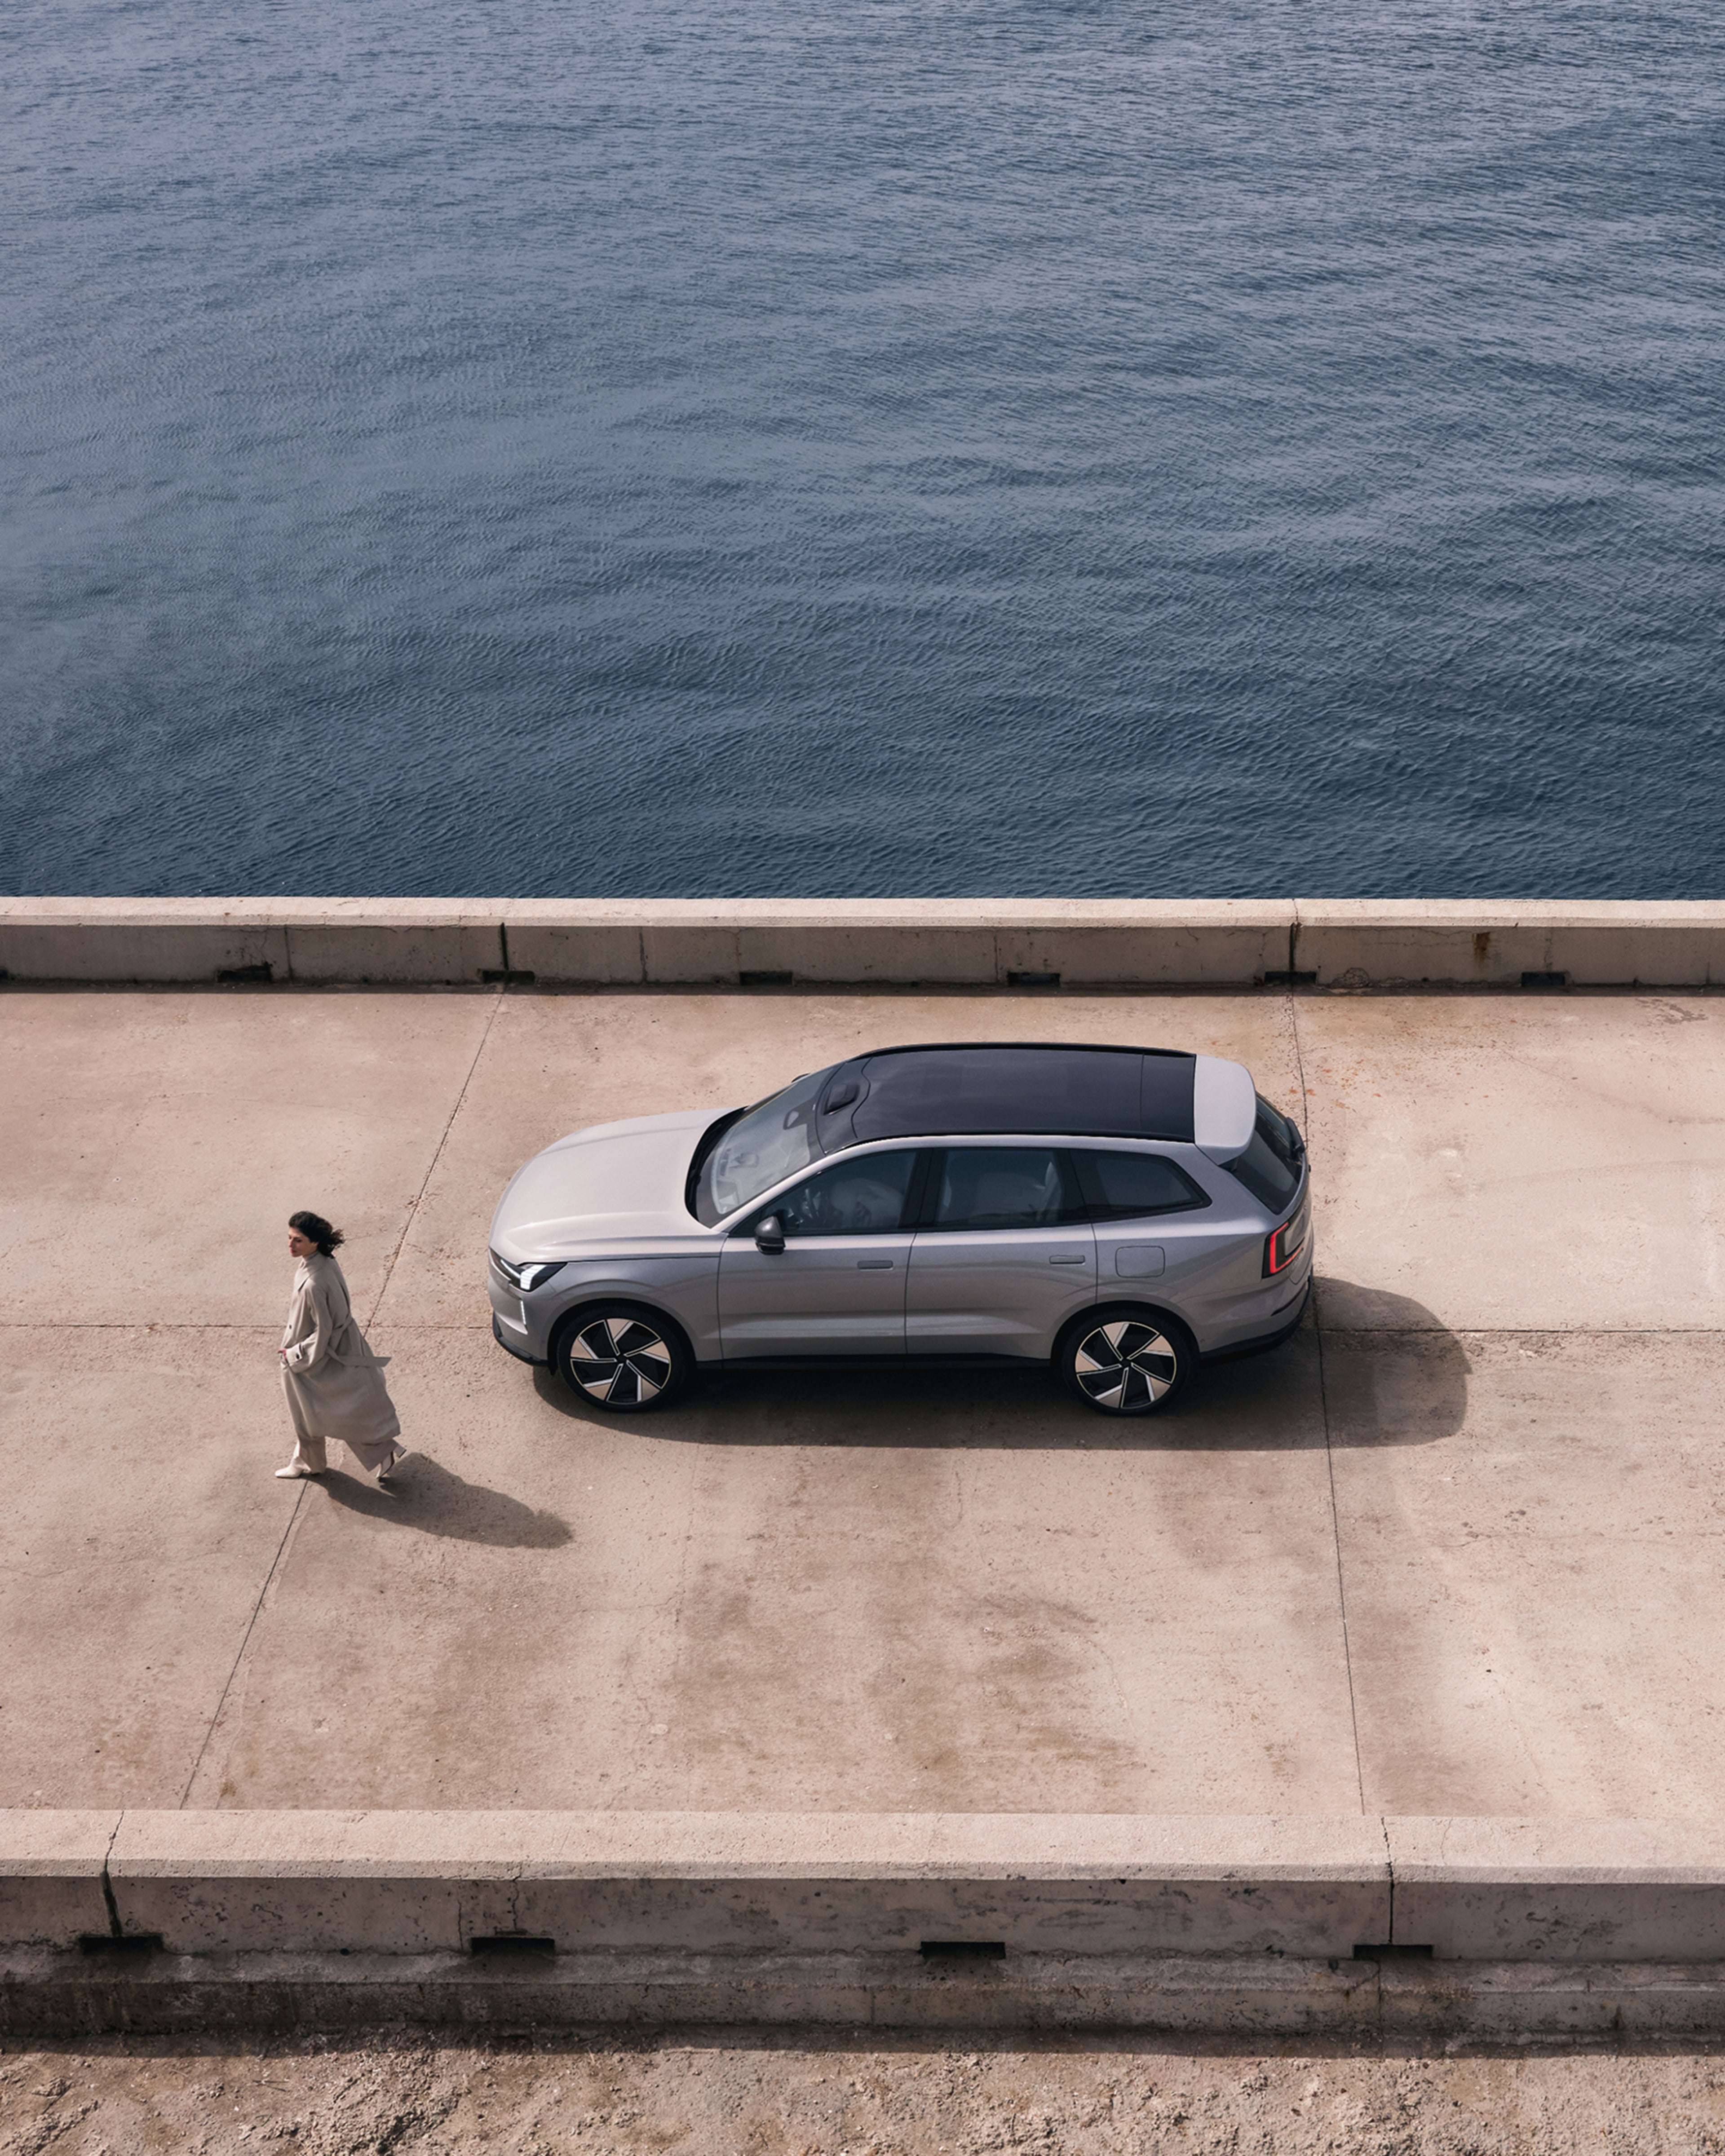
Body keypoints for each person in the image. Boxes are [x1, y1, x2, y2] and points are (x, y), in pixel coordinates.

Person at [275, 1211, 407, 1483]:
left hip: (315, 1357)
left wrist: (294, 1355)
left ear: (314, 1242)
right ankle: (311, 1461)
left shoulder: (314, 1283)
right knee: (325, 1413)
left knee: (318, 1415)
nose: (290, 1245)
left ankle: (373, 1453)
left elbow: (324, 1331)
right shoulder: (324, 1262)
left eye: (298, 1240)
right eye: (289, 1238)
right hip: (340, 1346)